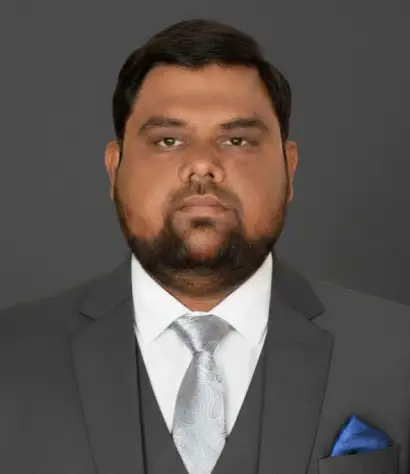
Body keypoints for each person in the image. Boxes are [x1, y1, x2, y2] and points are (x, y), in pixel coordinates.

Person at [0, 18, 409, 474]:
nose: (202, 165)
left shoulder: (400, 351)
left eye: (237, 140)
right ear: (115, 170)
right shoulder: (9, 358)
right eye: (168, 140)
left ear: (289, 168)